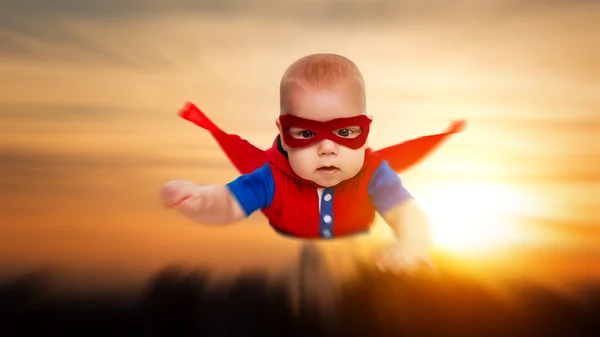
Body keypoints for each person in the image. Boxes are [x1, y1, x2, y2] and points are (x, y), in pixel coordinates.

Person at [161, 53, 465, 273]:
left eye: (345, 132)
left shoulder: (373, 174)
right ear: (282, 132)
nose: (327, 148)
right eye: (306, 133)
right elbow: (228, 203)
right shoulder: (271, 176)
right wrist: (199, 200)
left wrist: (412, 242)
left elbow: (407, 212)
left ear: (366, 129)